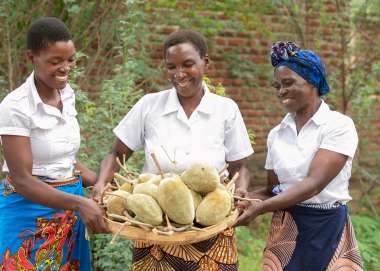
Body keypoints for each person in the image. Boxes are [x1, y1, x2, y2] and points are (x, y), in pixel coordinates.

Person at [93, 29, 254, 270]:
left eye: (188, 64)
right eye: (171, 67)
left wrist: (240, 191)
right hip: (156, 233)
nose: (179, 74)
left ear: (205, 63)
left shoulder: (225, 109)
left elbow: (240, 166)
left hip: (211, 230)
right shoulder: (150, 105)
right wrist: (100, 187)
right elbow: (117, 154)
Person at [235, 41, 363, 271]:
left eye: (288, 83)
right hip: (285, 230)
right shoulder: (277, 134)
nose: (281, 91)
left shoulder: (338, 126)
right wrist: (244, 199)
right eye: (277, 86)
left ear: (312, 81)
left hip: (327, 229)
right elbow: (272, 190)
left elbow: (313, 184)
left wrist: (260, 209)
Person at [0, 17, 108, 271]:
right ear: (31, 57)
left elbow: (63, 157)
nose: (66, 68)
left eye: (70, 59)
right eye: (55, 61)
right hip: (27, 215)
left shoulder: (66, 94)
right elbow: (22, 179)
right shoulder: (16, 107)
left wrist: (99, 181)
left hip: (70, 215)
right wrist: (81, 204)